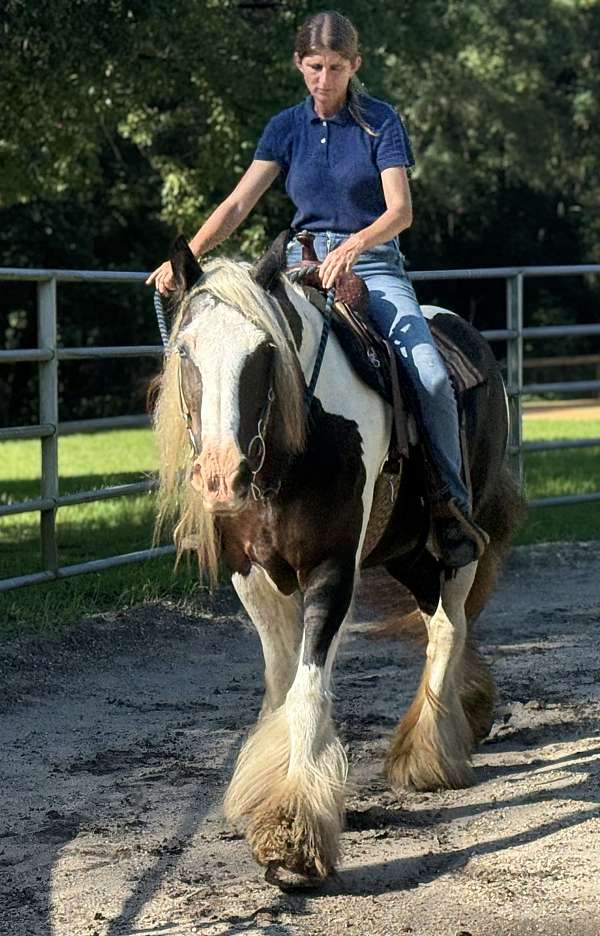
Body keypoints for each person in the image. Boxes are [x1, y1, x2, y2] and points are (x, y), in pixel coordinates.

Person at [147, 10, 487, 567]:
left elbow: (400, 211)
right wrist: (187, 255)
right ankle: (220, 504)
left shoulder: (381, 123)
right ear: (298, 65)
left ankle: (450, 506)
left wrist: (355, 246)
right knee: (234, 358)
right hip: (299, 265)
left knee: (428, 375)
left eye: (334, 67)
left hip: (373, 266)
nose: (323, 79)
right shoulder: (285, 127)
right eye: (313, 67)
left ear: (354, 65)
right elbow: (237, 203)